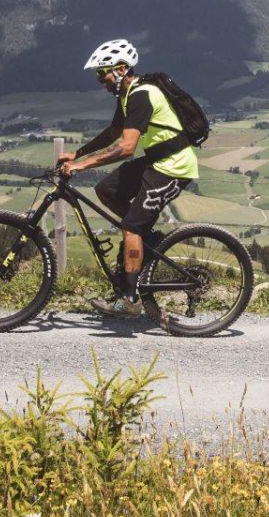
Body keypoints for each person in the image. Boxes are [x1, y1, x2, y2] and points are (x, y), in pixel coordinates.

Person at [56, 38, 199, 317]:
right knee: (106, 191)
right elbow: (114, 133)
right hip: (157, 161)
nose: (100, 80)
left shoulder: (141, 95)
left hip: (174, 168)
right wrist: (78, 153)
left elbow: (126, 146)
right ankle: (145, 236)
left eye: (102, 73)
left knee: (130, 228)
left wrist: (82, 166)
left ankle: (131, 299)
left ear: (121, 69)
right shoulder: (127, 94)